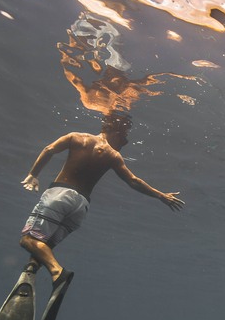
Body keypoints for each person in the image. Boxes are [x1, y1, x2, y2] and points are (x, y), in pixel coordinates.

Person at [19, 114, 184, 287]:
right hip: (81, 207)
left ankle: (57, 273)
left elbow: (49, 149)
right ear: (113, 131)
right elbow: (133, 181)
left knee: (28, 240)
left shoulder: (76, 137)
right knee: (44, 243)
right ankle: (32, 267)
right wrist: (161, 196)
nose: (124, 143)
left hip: (59, 196)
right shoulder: (113, 156)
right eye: (124, 138)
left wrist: (33, 174)